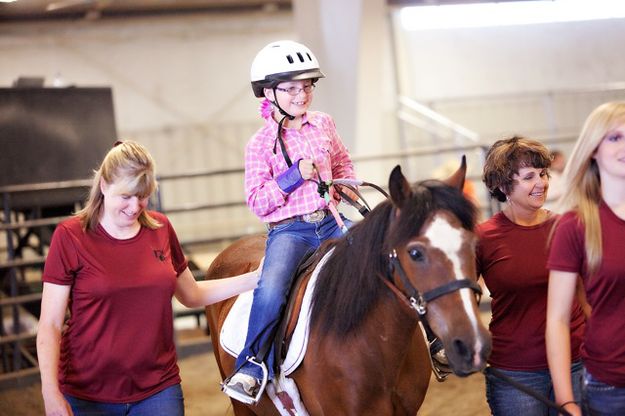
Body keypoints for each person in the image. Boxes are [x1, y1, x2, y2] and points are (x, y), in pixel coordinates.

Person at [36, 140, 259, 416]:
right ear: (104, 186)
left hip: (158, 388)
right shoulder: (70, 237)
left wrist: (254, 279)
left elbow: (191, 295)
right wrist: (50, 391)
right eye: (126, 196)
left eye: (142, 196)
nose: (135, 206)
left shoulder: (161, 229)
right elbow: (50, 324)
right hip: (87, 392)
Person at [221, 40, 358, 404]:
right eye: (292, 88)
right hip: (291, 230)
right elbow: (257, 202)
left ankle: (430, 337)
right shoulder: (260, 144)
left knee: (383, 253)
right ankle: (251, 365)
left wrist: (345, 187)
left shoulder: (324, 124)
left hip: (331, 221)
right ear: (269, 92)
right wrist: (292, 176)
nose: (302, 94)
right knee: (272, 287)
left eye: (307, 86)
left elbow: (343, 161)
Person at [477, 136, 586, 415]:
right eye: (529, 177)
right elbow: (463, 298)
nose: (542, 183)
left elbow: (587, 296)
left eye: (543, 174)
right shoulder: (483, 238)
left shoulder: (567, 228)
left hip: (577, 362)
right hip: (517, 374)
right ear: (503, 186)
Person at [546, 101, 625, 416]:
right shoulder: (576, 226)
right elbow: (557, 320)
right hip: (611, 388)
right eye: (615, 138)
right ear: (593, 149)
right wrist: (566, 399)